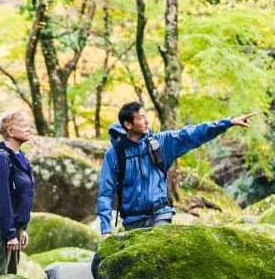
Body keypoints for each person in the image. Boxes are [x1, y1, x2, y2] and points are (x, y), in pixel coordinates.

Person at [96, 102, 255, 237]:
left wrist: (228, 122)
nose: (147, 121)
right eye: (141, 117)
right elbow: (105, 191)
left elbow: (193, 133)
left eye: (146, 116)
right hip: (132, 220)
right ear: (128, 124)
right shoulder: (115, 155)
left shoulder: (160, 142)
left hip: (160, 214)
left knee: (158, 248)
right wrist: (105, 230)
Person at [0, 110, 35, 278]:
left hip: (15, 226)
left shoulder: (21, 157)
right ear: (10, 132)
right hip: (2, 225)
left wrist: (23, 228)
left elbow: (22, 194)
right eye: (23, 125)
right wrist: (10, 233)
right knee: (0, 277)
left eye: (28, 125)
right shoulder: (1, 158)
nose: (28, 128)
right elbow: (1, 197)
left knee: (11, 276)